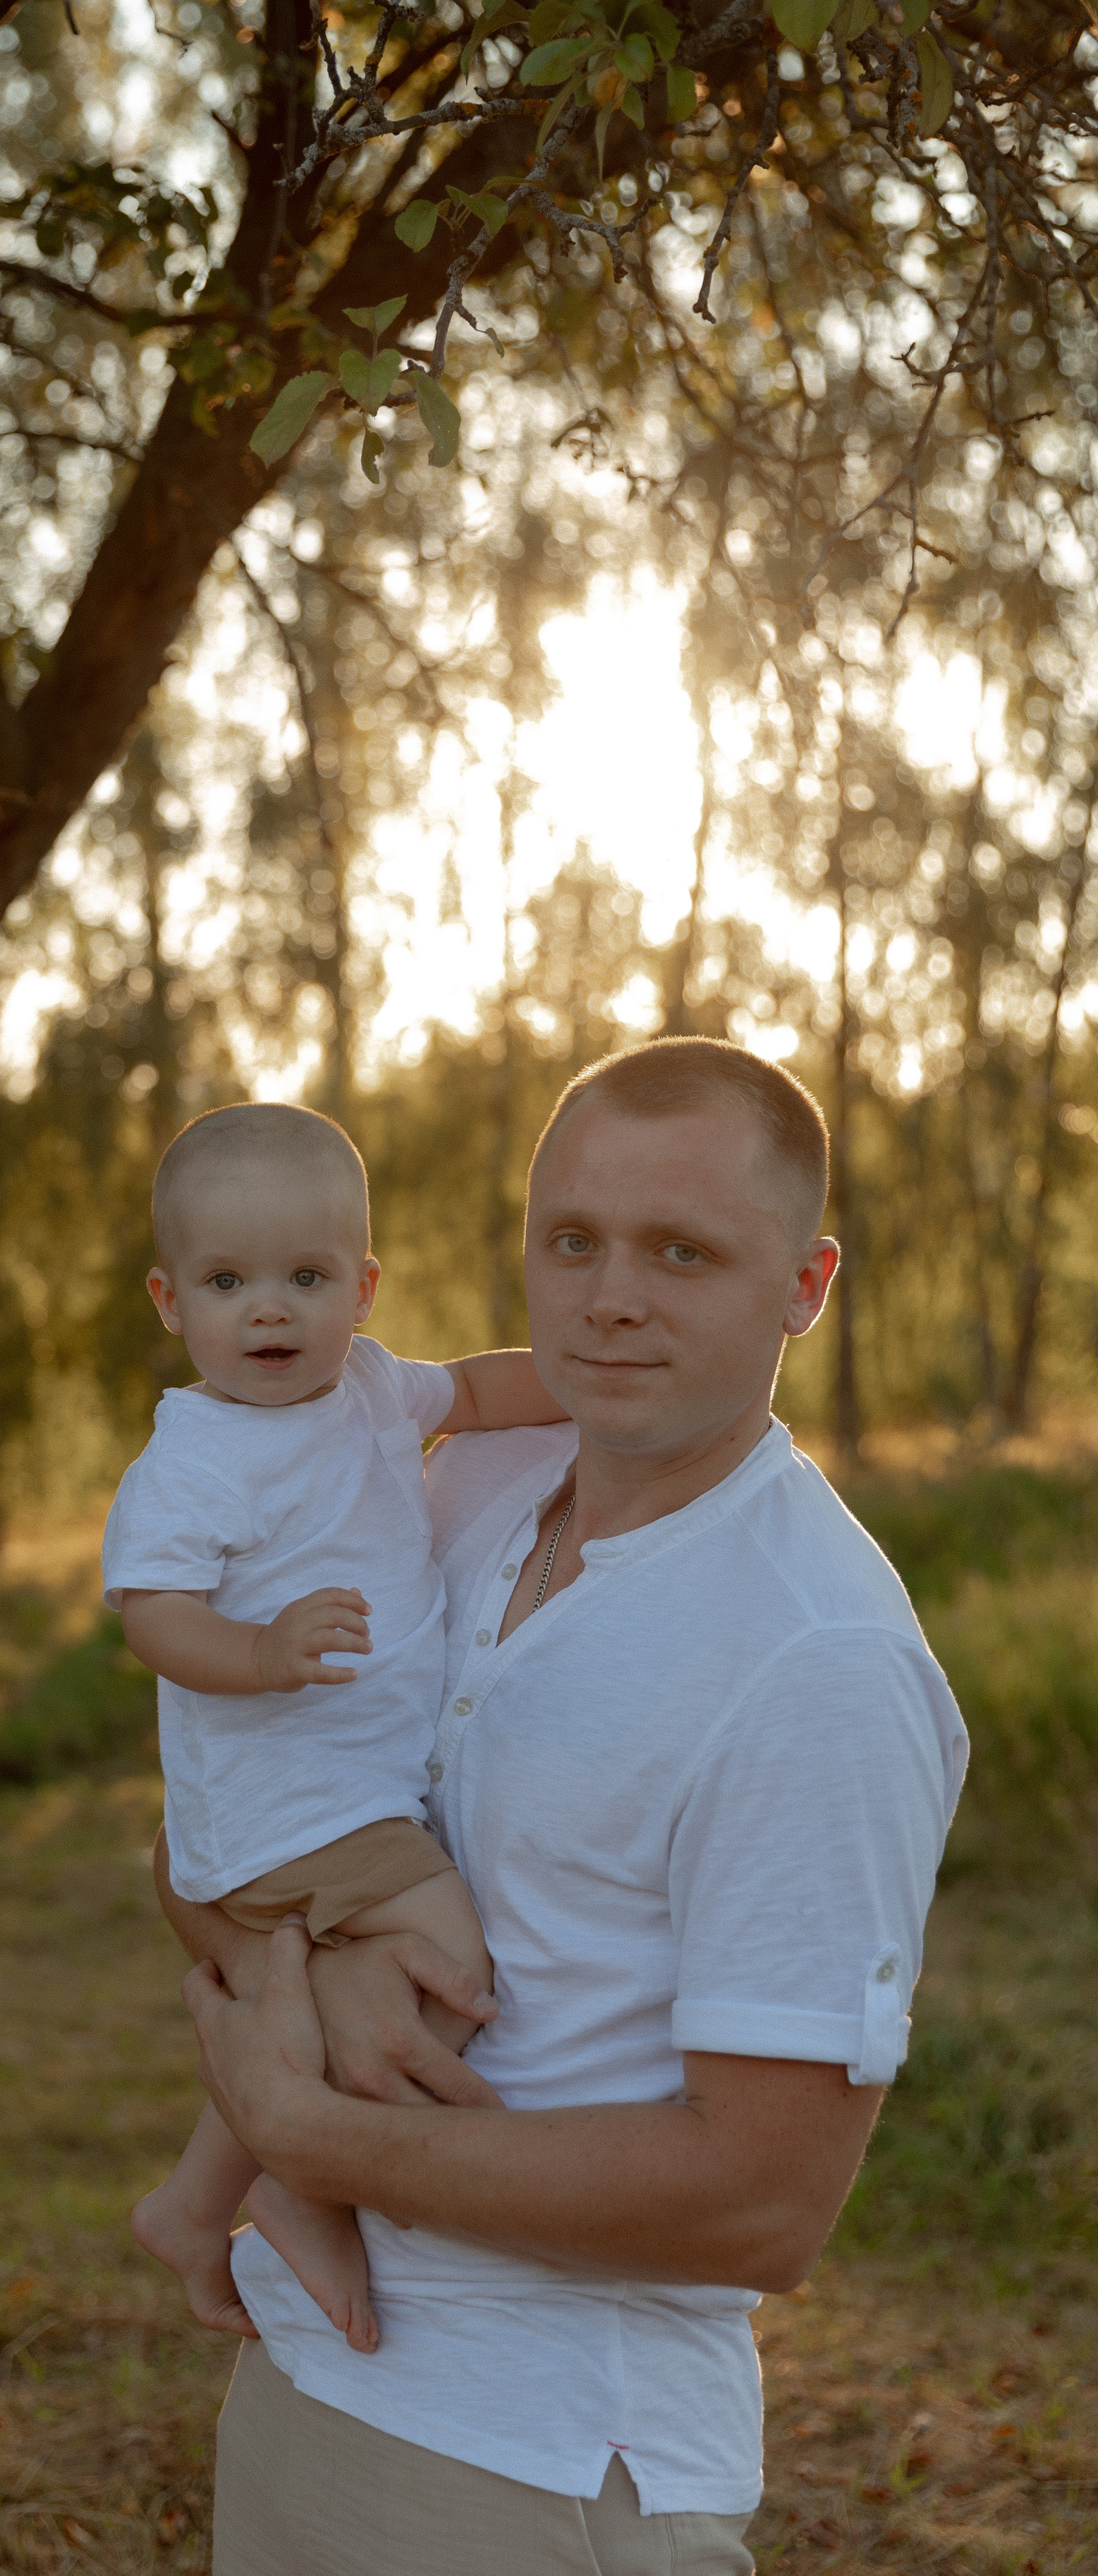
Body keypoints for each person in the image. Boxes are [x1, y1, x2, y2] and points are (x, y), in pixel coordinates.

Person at [158, 1040, 968, 2576]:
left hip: (536, 2468)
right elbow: (204, 1824)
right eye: (571, 1240)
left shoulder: (817, 1660)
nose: (608, 1297)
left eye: (680, 1251)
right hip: (303, 2378)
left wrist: (300, 2130)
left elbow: (755, 2206)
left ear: (803, 1284)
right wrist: (320, 1961)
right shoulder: (448, 1498)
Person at [106, 1102, 566, 2357]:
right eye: (228, 1281)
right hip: (286, 1798)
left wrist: (577, 1383)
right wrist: (257, 1655)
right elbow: (151, 1613)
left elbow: (474, 1389)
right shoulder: (195, 1458)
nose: (270, 1310)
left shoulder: (370, 1388)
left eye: (306, 1278)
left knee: (299, 2003)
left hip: (348, 1791)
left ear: (362, 1290)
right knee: (450, 1959)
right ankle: (305, 2182)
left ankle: (199, 2198)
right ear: (169, 1299)